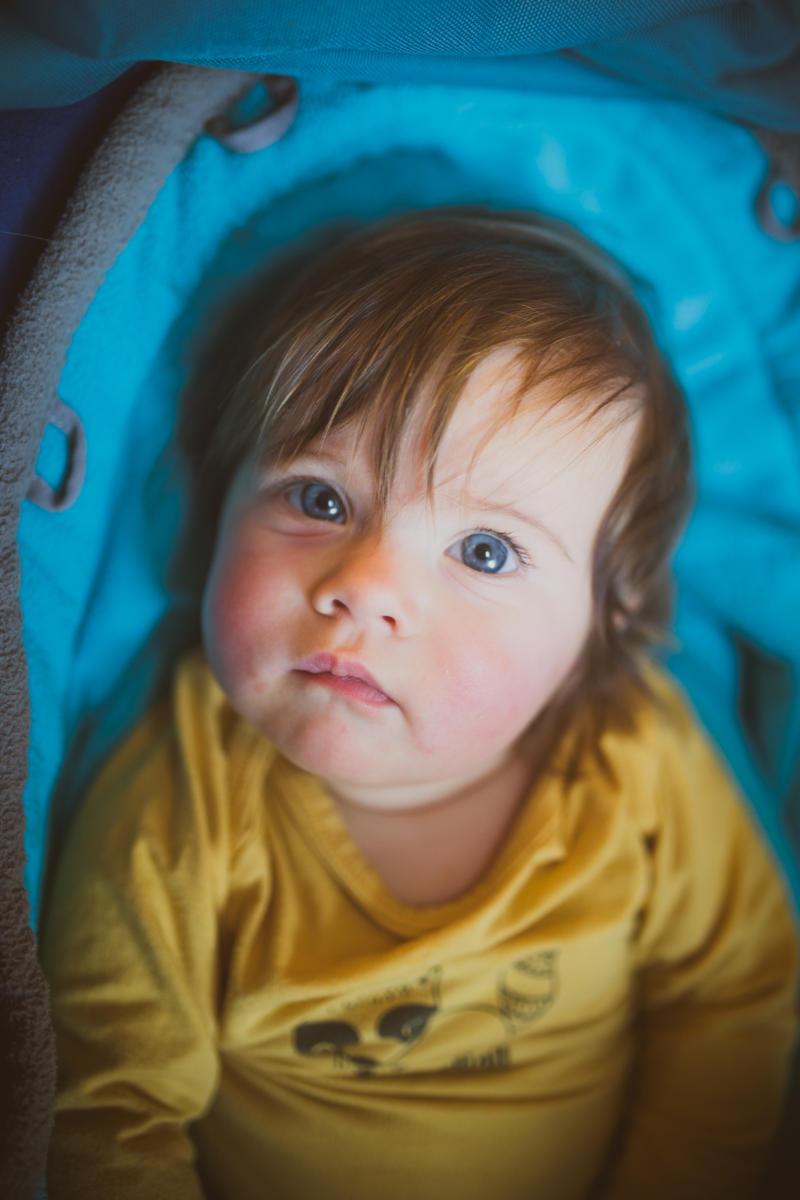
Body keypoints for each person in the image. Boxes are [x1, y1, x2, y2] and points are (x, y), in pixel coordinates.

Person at [41, 207, 798, 1200]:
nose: (365, 587)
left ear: (601, 623)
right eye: (319, 499)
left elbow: (733, 1008)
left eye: (484, 551)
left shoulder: (636, 756)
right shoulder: (183, 793)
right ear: (213, 510)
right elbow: (109, 1114)